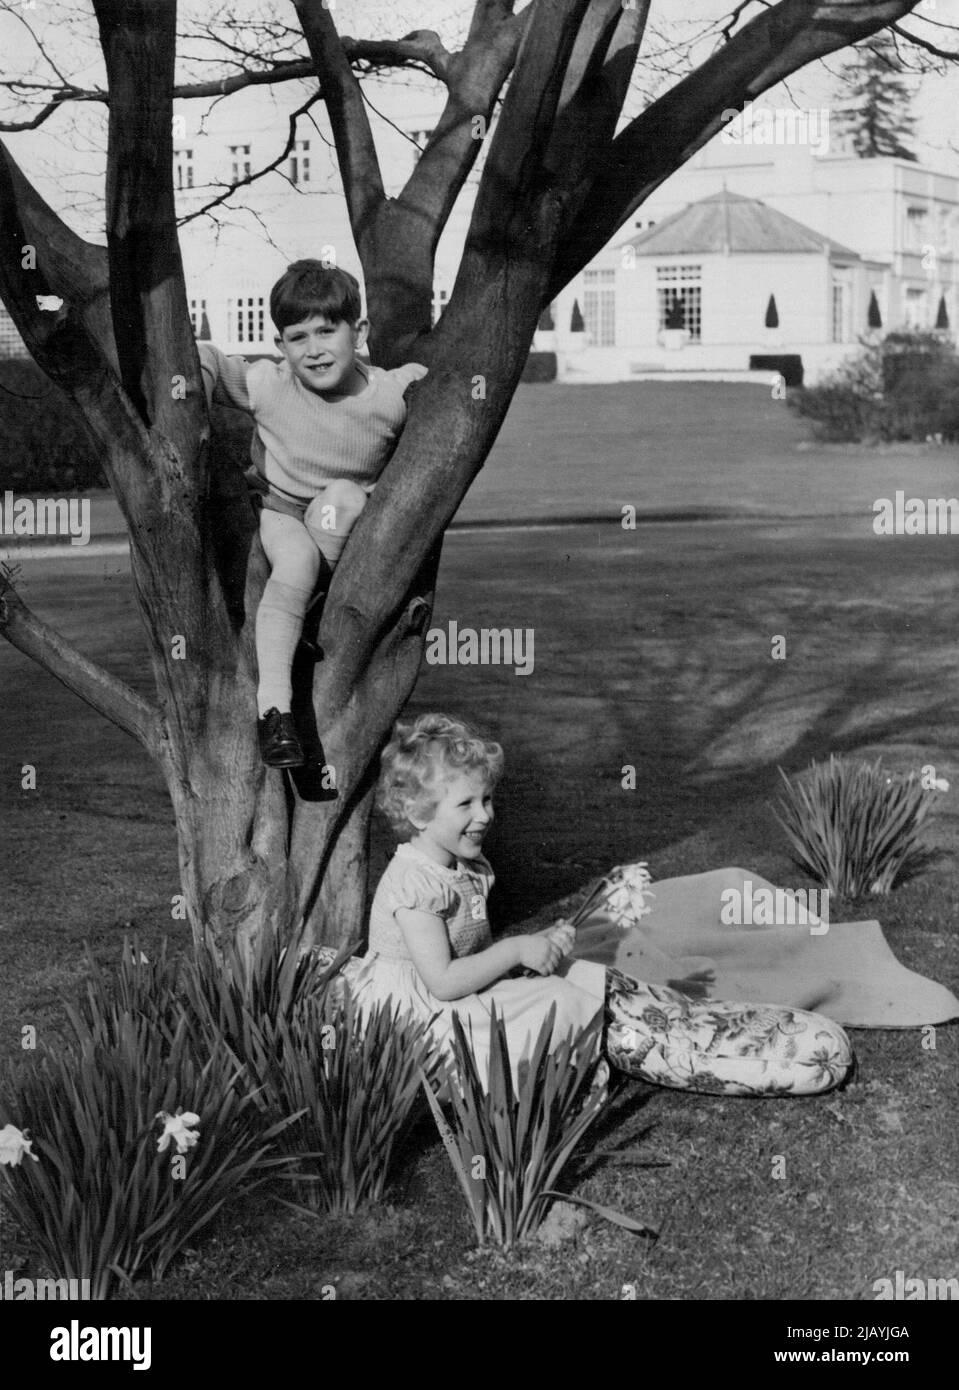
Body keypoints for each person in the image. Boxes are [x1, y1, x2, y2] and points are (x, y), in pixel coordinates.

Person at [344, 712, 855, 1097]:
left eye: (488, 799)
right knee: (558, 1004)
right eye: (466, 805)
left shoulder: (462, 864)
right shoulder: (414, 884)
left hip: (453, 997)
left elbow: (471, 956)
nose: (485, 815)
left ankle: (695, 1029)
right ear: (416, 812)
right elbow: (444, 981)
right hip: (420, 1017)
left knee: (580, 976)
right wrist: (519, 950)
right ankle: (690, 1059)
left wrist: (536, 947)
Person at [198, 260, 428, 768]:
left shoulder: (388, 395)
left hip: (341, 519)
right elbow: (211, 359)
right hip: (282, 510)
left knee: (342, 500)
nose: (314, 348)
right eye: (297, 337)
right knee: (294, 566)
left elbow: (436, 387)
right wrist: (194, 373)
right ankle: (274, 713)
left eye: (328, 330)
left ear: (360, 332)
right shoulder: (270, 384)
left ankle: (310, 613)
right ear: (280, 346)